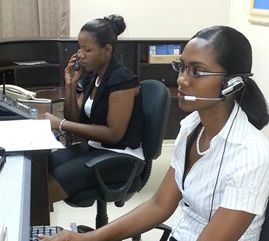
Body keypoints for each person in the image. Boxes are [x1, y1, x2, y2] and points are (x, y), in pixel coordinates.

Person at [38, 26, 269, 241]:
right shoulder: (191, 128)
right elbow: (159, 205)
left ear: (232, 84)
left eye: (196, 71)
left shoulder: (250, 154)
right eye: (182, 67)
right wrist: (86, 239)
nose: (181, 79)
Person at [39, 14, 144, 204]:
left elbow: (114, 134)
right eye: (80, 48)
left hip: (121, 157)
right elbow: (75, 119)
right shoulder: (92, 78)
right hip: (97, 148)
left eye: (87, 50)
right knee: (39, 167)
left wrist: (60, 124)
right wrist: (71, 84)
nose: (80, 55)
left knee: (42, 191)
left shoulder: (122, 79)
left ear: (106, 50)